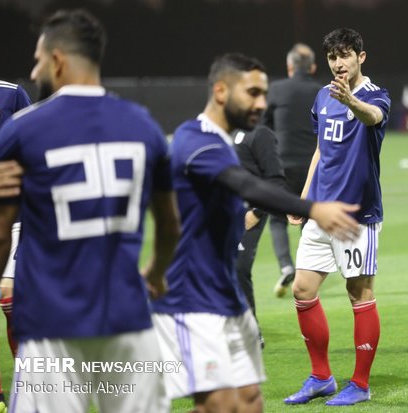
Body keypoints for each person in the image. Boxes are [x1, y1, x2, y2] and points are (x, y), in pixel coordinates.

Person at [150, 52, 360, 413]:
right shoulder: (193, 138)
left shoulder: (237, 140)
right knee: (216, 403)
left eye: (263, 94)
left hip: (228, 295)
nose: (261, 103)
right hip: (192, 298)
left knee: (249, 401)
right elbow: (244, 184)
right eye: (252, 93)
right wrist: (313, 209)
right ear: (221, 91)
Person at [0, 10, 179, 413]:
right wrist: (156, 273)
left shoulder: (24, 129)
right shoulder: (143, 125)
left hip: (52, 326)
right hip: (129, 321)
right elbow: (169, 223)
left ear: (58, 59)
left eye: (38, 58)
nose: (34, 67)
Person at [284, 28, 390, 406]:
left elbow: (373, 117)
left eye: (345, 55)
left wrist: (351, 101)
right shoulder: (322, 97)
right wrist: (303, 199)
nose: (338, 63)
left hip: (357, 215)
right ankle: (321, 377)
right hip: (320, 211)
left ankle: (360, 384)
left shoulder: (375, 96)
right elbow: (320, 152)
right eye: (332, 57)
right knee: (302, 290)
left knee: (359, 293)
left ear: (362, 56)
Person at [261, 43, 322, 298]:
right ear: (313, 68)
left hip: (282, 165)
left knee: (277, 219)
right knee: (308, 219)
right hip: (313, 166)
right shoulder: (322, 92)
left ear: (289, 67)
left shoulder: (275, 89)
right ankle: (308, 269)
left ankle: (286, 265)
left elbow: (264, 126)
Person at [0, 78, 31, 412]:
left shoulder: (9, 94)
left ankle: (27, 390)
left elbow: (33, 151)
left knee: (12, 301)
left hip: (12, 218)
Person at [232, 125, 286, 341]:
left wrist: (258, 210)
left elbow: (275, 180)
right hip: (222, 210)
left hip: (249, 213)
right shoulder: (224, 131)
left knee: (238, 266)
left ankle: (251, 331)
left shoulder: (260, 134)